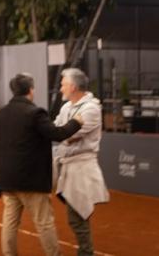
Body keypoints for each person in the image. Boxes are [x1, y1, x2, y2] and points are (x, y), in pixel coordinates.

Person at [0, 73, 83, 256]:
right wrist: (76, 122)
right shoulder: (35, 113)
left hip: (7, 180)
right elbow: (57, 134)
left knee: (10, 222)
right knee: (44, 222)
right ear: (31, 90)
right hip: (32, 181)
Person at [53, 68, 110, 256]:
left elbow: (69, 135)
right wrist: (63, 133)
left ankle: (86, 252)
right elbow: (57, 131)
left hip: (82, 169)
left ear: (73, 86)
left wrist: (63, 133)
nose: (60, 88)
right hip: (68, 167)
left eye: (63, 84)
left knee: (77, 217)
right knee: (75, 217)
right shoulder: (66, 107)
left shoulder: (92, 108)